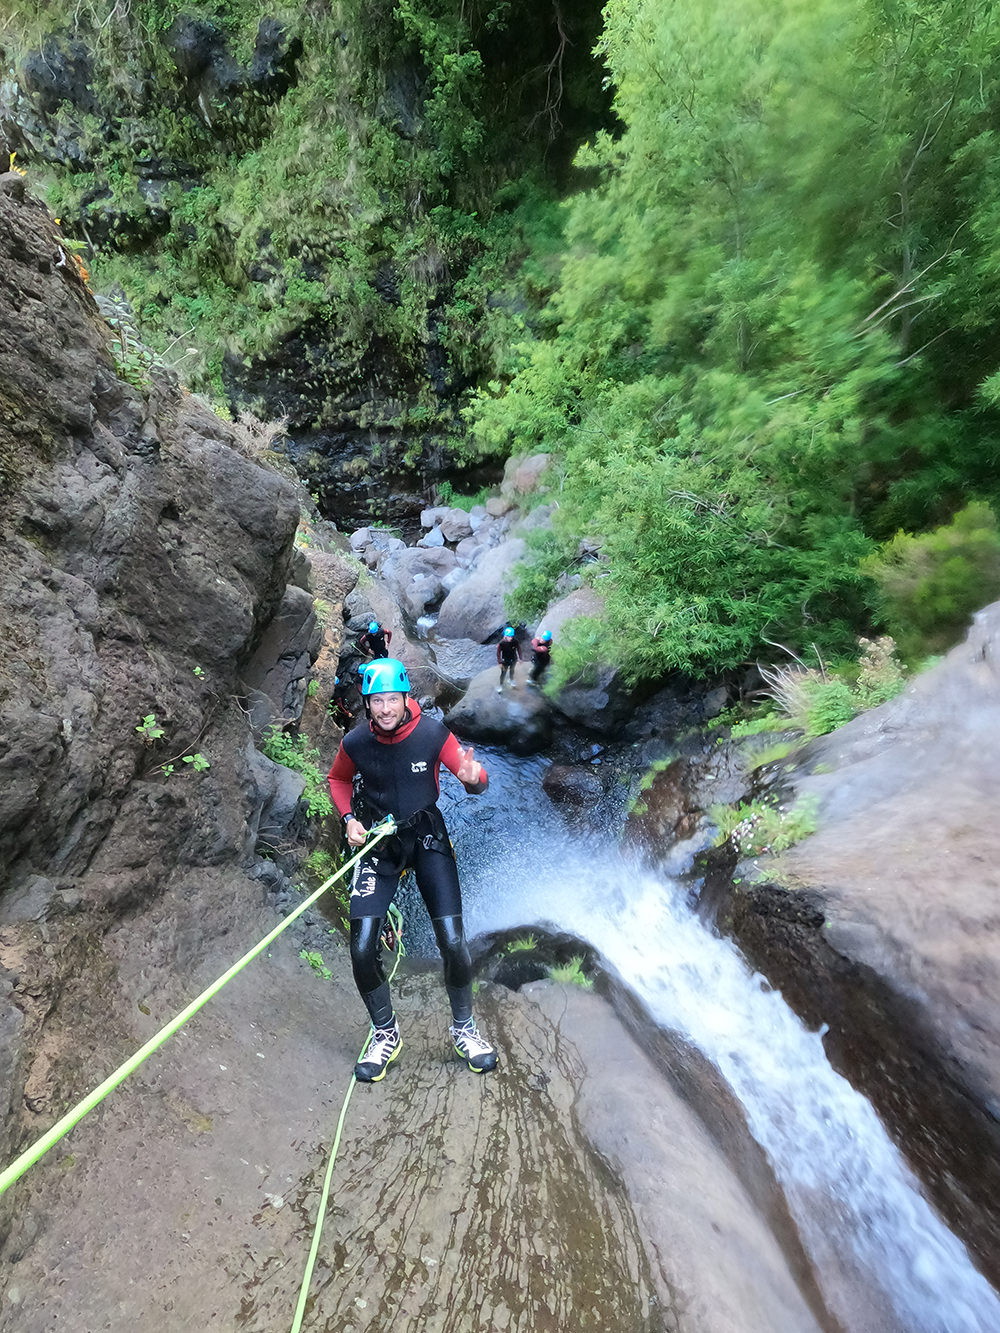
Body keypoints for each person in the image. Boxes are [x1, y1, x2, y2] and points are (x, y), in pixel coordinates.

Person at [327, 657, 498, 1082]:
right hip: (377, 842)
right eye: (376, 701)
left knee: (453, 940)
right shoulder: (356, 743)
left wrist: (474, 776)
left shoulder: (431, 733)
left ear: (406, 699)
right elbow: (337, 781)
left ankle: (464, 1029)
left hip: (425, 836)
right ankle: (385, 1032)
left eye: (392, 699)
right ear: (367, 704)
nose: (385, 708)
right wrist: (349, 818)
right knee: (362, 946)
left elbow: (470, 775)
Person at [496, 626, 521, 693]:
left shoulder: (515, 641)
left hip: (513, 658)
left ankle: (511, 680)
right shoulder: (501, 643)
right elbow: (498, 653)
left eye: (512, 636)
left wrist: (520, 658)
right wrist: (499, 662)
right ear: (505, 636)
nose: (511, 638)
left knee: (512, 670)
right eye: (509, 636)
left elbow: (519, 649)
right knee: (503, 672)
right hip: (505, 659)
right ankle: (501, 685)